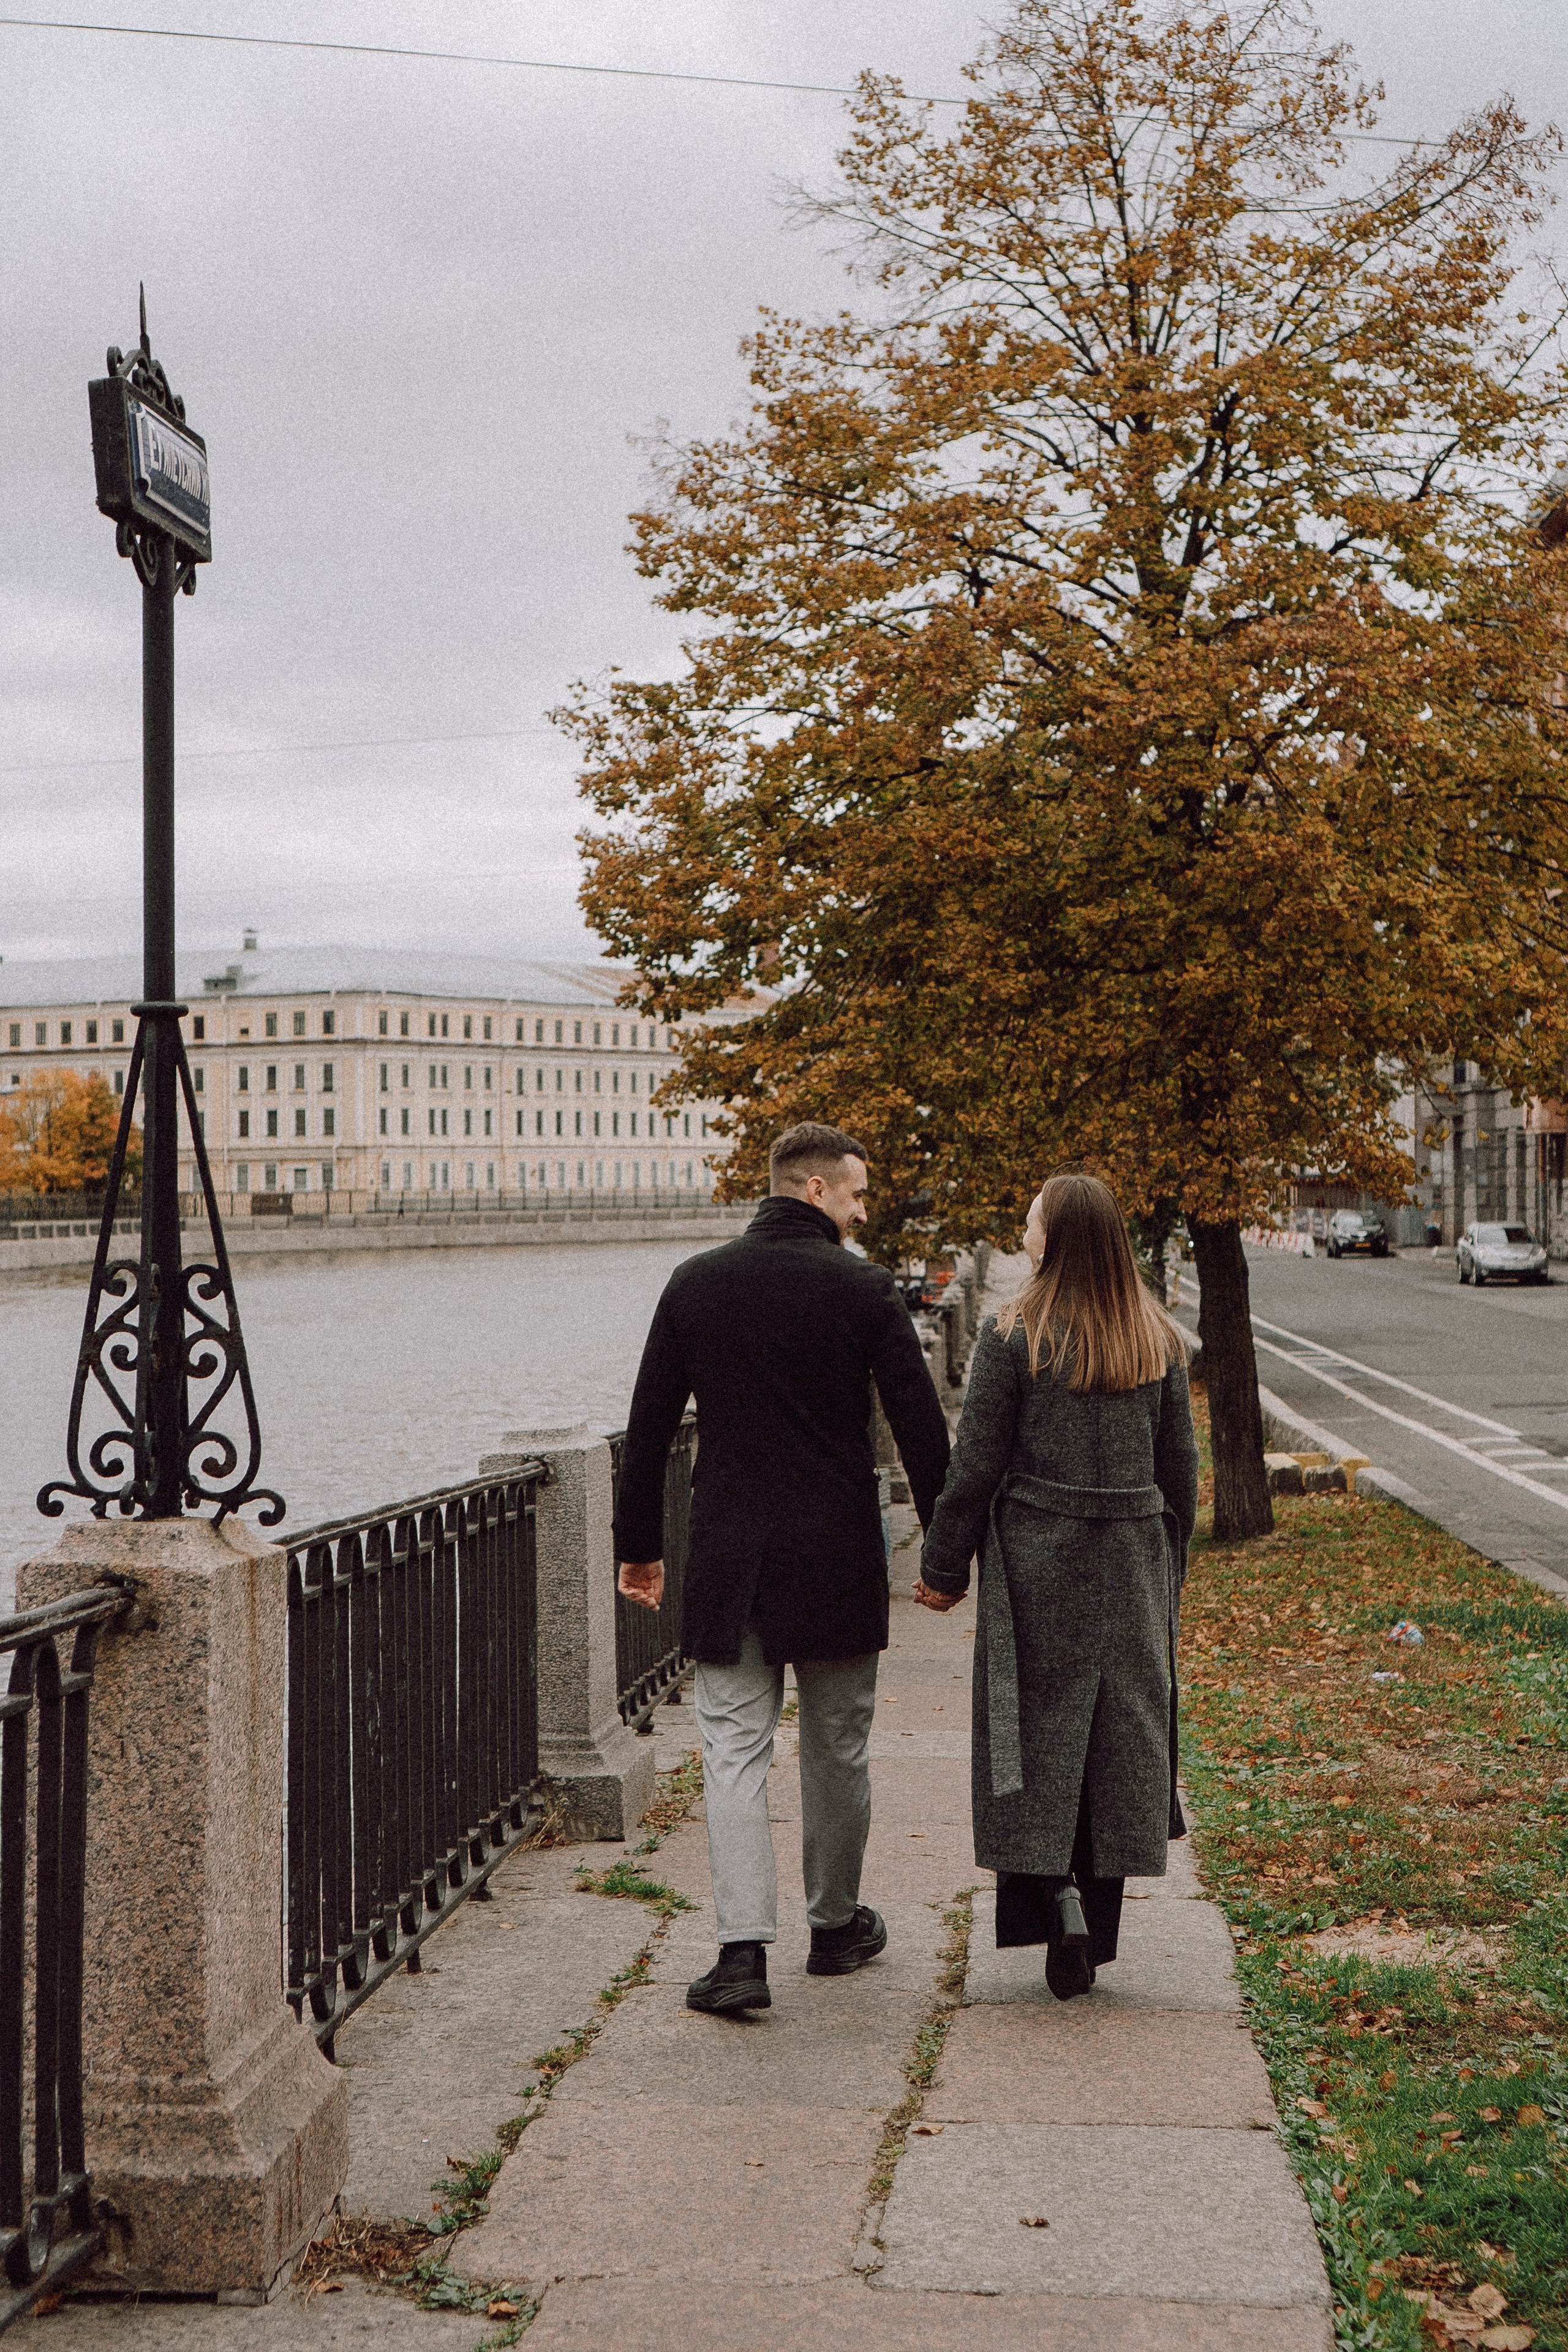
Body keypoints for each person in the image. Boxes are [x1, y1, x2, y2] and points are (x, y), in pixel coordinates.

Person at [614, 1121, 952, 2017]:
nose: (862, 1210)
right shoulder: (865, 1289)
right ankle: (836, 1928)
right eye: (857, 1194)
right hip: (836, 1553)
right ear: (813, 1191)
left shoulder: (695, 1285)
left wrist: (640, 1550)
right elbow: (922, 1428)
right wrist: (947, 1554)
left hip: (731, 1556)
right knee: (839, 1745)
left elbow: (646, 1433)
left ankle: (740, 1953)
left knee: (731, 1750)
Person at [914, 1171, 1198, 1999]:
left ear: (1061, 1237)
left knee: (1031, 1729)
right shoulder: (1157, 1339)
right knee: (1118, 1736)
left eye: (1032, 1221)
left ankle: (1053, 1894)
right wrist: (1167, 1565)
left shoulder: (1014, 1334)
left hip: (1039, 1557)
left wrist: (940, 1568)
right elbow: (1181, 1473)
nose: (1024, 1232)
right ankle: (1094, 1920)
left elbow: (975, 1468)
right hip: (1133, 1556)